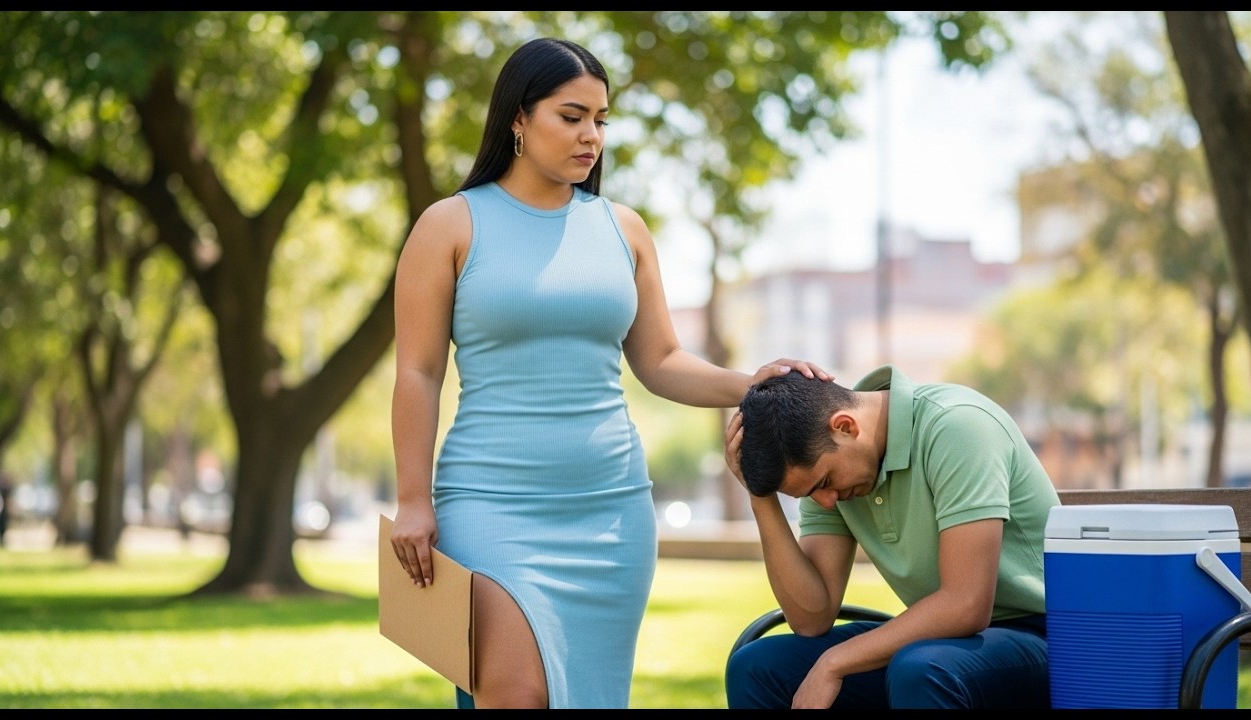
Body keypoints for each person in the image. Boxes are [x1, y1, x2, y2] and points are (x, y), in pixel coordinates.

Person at [388, 36, 832, 710]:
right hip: (489, 503)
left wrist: (751, 383)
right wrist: (413, 499)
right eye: (571, 117)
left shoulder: (623, 229)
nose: (590, 136)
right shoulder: (449, 225)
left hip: (609, 510)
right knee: (515, 694)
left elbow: (659, 362)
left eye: (601, 120)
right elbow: (417, 373)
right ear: (516, 118)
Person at [724, 365, 1060, 709]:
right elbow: (812, 619)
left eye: (824, 483)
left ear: (845, 427)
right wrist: (760, 496)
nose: (825, 501)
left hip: (1046, 638)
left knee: (919, 669)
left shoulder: (957, 425)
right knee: (757, 666)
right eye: (809, 494)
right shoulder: (827, 474)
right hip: (939, 642)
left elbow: (966, 605)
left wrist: (833, 663)